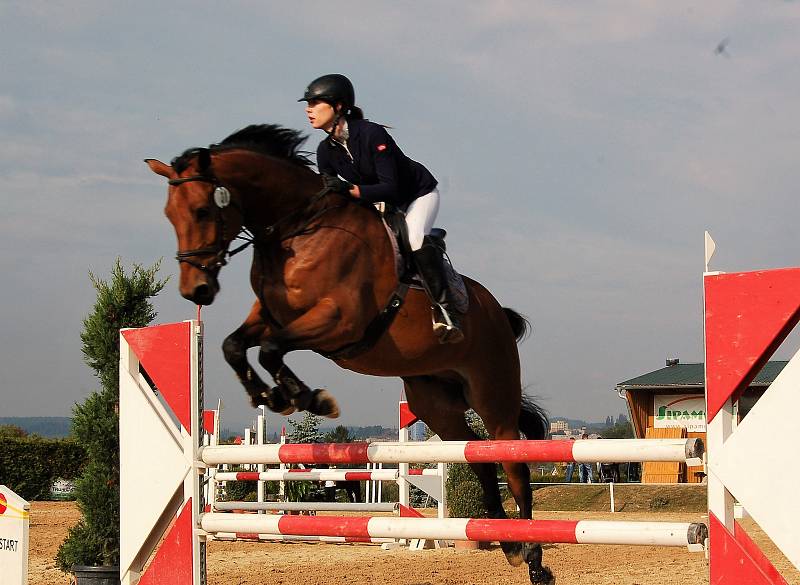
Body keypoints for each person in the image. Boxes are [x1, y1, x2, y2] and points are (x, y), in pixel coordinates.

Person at [299, 73, 463, 343]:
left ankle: (445, 310)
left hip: (415, 195)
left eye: (315, 103)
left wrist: (349, 191)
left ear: (338, 106)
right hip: (376, 203)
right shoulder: (324, 150)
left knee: (413, 238)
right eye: (308, 104)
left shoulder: (371, 133)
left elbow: (390, 187)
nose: (308, 109)